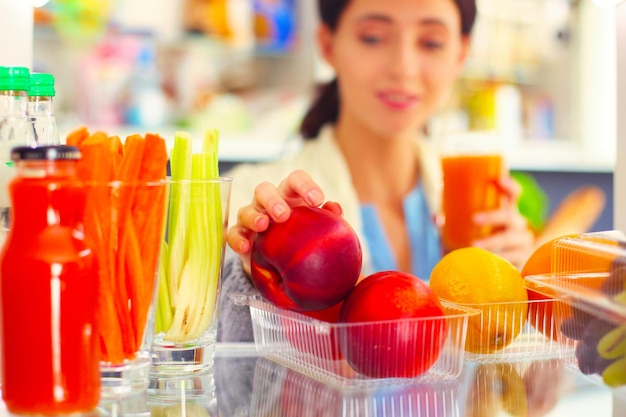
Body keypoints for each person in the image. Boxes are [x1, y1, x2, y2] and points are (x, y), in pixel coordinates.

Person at [217, 0, 535, 342]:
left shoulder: (478, 203)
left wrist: (514, 280)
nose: (403, 68)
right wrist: (251, 279)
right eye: (372, 38)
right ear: (328, 45)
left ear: (460, 54)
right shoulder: (255, 203)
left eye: (431, 43)